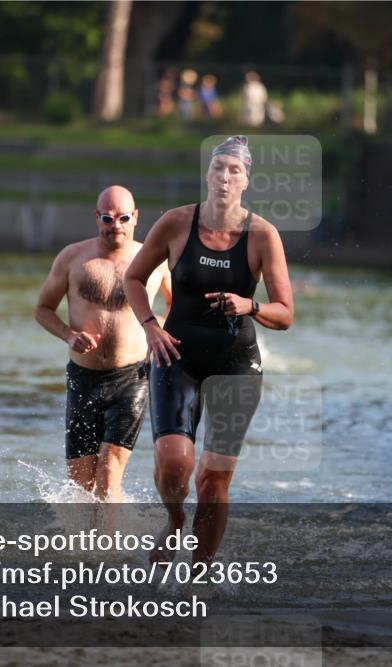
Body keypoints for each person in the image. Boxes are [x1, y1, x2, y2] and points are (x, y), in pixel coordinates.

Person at [124, 135, 294, 566]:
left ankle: (197, 577)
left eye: (234, 170)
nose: (224, 177)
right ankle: (175, 519)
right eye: (218, 168)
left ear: (246, 180)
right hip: (176, 356)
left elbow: (286, 313)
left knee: (215, 483)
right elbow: (133, 278)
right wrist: (150, 328)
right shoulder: (177, 223)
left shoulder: (262, 235)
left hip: (235, 363)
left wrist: (250, 306)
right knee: (174, 462)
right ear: (207, 174)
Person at [35, 186, 172, 502]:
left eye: (124, 217)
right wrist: (69, 334)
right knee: (80, 485)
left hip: (131, 379)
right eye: (108, 218)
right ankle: (83, 548)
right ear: (97, 218)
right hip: (83, 379)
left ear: (135, 217)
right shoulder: (73, 258)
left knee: (109, 476)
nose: (116, 226)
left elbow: (175, 305)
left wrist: (157, 332)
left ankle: (108, 551)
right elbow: (43, 309)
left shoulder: (152, 260)